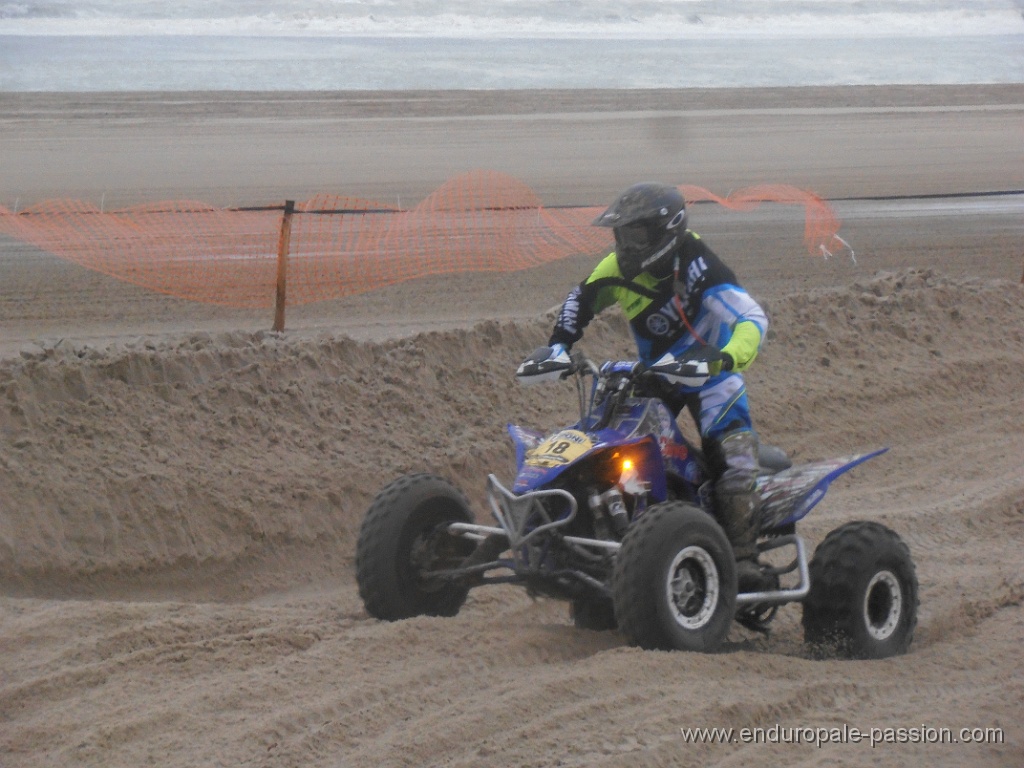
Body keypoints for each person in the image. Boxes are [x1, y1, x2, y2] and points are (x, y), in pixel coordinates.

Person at [523, 182, 770, 591]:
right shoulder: (617, 269)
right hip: (656, 374)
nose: (625, 245)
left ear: (666, 231)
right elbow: (579, 300)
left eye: (635, 235)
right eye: (621, 235)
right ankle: (603, 534)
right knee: (608, 438)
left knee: (733, 455)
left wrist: (724, 356)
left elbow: (752, 318)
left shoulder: (700, 267)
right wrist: (558, 347)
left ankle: (743, 558)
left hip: (711, 374)